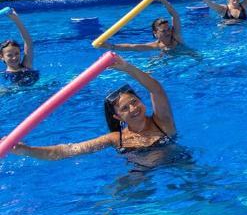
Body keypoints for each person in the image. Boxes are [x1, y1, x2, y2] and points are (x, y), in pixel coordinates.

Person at [4, 55, 176, 162]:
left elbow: (156, 90)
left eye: (134, 102)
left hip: (178, 165)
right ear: (117, 117)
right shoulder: (116, 138)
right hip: (140, 176)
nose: (133, 108)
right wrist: (27, 150)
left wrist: (127, 68)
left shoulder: (162, 121)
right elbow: (67, 150)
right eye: (125, 108)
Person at [94, 0, 184, 52]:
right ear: (155, 33)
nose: (168, 32)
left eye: (168, 29)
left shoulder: (176, 37)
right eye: (163, 31)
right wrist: (110, 46)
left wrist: (163, 0)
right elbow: (132, 47)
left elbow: (175, 16)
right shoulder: (155, 46)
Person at [2, 9, 38, 86]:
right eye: (9, 55)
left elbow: (28, 42)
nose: (14, 57)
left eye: (17, 53)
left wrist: (16, 20)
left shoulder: (26, 65)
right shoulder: (4, 75)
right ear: (1, 57)